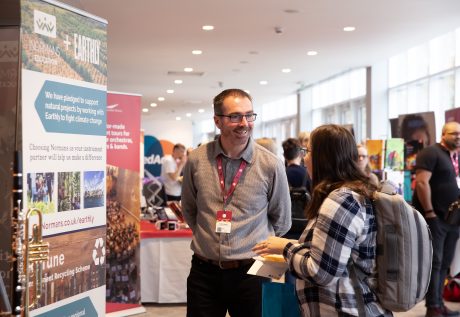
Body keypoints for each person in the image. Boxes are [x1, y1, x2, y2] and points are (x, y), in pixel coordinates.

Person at [252, 124, 391, 316]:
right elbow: (336, 251)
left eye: (308, 151)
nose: (304, 158)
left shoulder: (341, 201)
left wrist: (285, 248)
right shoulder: (354, 193)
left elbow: (321, 272)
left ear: (323, 157)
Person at [181, 88, 291, 317]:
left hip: (253, 272)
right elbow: (190, 210)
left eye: (249, 115)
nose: (244, 123)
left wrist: (251, 242)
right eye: (235, 116)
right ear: (217, 121)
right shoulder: (197, 160)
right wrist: (209, 238)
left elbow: (282, 220)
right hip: (204, 273)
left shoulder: (270, 165)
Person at [412, 121, 460, 317]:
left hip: (452, 220)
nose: (458, 136)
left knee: (446, 263)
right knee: (436, 262)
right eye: (454, 133)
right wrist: (430, 212)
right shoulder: (431, 153)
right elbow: (422, 183)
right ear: (443, 133)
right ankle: (433, 307)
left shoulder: (451, 157)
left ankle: (439, 303)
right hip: (436, 218)